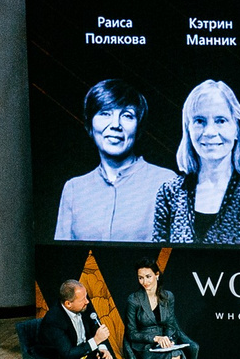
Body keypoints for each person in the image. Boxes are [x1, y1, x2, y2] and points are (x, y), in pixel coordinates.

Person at [156, 79, 240, 244]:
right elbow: (161, 256)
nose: (209, 132)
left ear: (237, 128)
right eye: (199, 121)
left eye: (220, 120)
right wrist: (166, 260)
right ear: (188, 129)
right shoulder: (169, 193)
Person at [53, 78, 171, 241]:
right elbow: (64, 254)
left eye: (127, 116)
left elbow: (174, 252)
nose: (116, 125)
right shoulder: (74, 189)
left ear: (138, 127)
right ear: (90, 124)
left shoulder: (166, 183)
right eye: (105, 113)